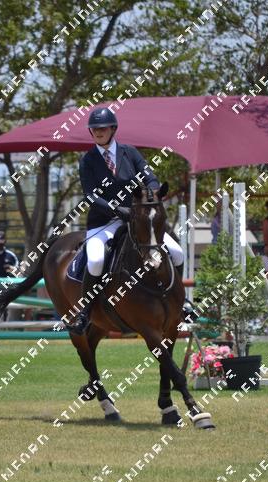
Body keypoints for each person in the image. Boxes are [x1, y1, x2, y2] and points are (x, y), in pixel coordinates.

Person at [68, 106, 186, 334]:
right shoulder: (88, 160)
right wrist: (116, 209)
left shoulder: (129, 153)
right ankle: (85, 312)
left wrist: (151, 195)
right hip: (104, 222)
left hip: (137, 220)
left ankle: (179, 303)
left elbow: (150, 179)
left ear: (113, 129)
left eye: (103, 128)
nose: (98, 132)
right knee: (95, 260)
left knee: (177, 252)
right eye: (95, 129)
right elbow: (91, 195)